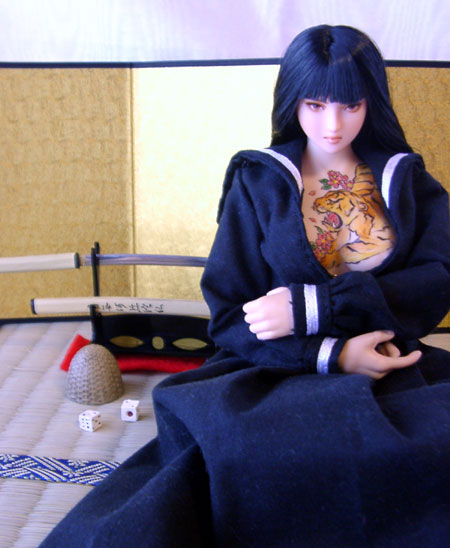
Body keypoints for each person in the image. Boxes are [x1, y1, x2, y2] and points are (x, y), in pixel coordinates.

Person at [39, 24, 450, 547]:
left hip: (386, 358)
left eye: (350, 105)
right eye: (315, 104)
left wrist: (313, 306)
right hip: (278, 365)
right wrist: (327, 351)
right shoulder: (259, 181)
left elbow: (436, 279)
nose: (333, 124)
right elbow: (230, 311)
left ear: (372, 102)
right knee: (256, 453)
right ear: (292, 101)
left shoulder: (406, 181)